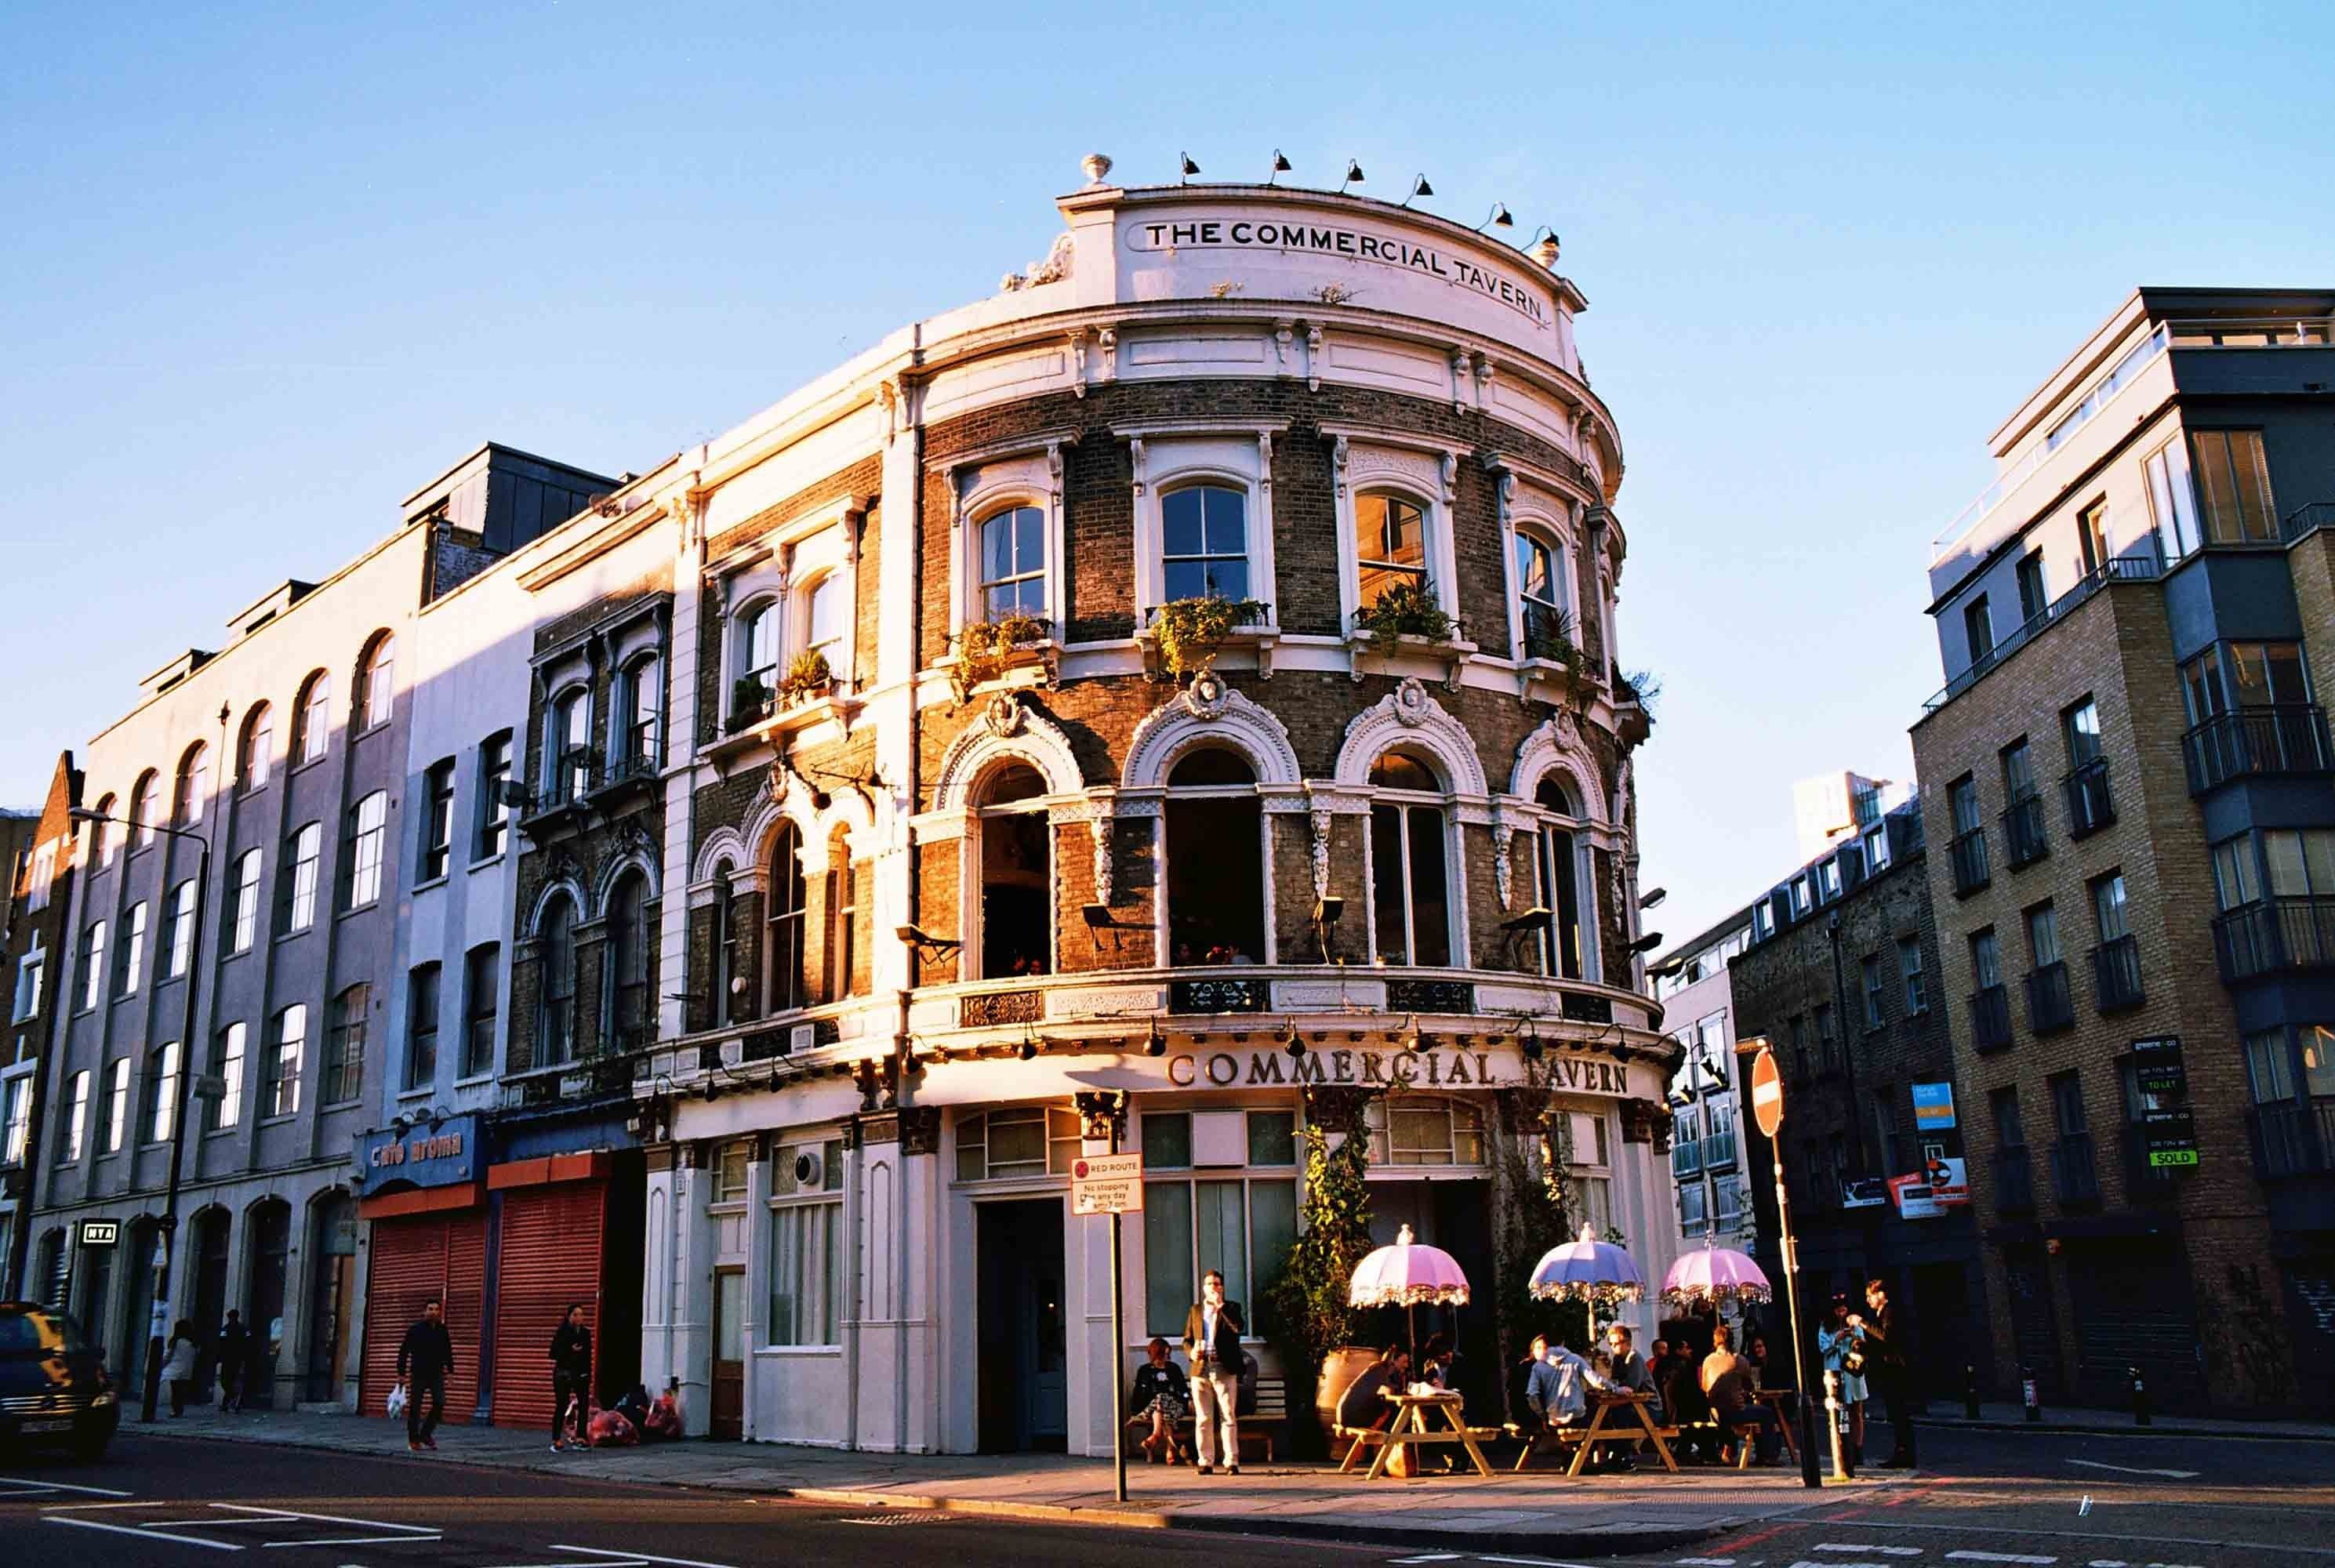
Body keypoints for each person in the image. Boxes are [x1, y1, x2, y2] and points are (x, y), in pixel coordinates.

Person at [1180, 1269, 1245, 1475]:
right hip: (1201, 1368)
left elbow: (1238, 1328)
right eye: (1209, 1284)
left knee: (1228, 1415)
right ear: (1203, 1288)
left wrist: (1220, 1307)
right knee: (1203, 1418)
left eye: (1217, 1284)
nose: (1213, 1288)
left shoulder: (1232, 1308)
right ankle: (1205, 1461)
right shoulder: (1196, 1311)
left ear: (1222, 1287)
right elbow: (1187, 1340)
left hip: (1224, 1368)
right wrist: (1192, 1354)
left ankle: (1231, 1461)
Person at [1856, 1277, 1915, 1468]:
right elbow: (1881, 1344)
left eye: (1869, 1296)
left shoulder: (1890, 1312)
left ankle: (1904, 1455)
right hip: (1889, 1369)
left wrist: (1862, 1323)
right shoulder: (1883, 1313)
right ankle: (1901, 1453)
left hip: (1896, 1370)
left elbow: (1886, 1337)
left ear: (1881, 1295)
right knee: (1896, 1414)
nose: (1868, 1300)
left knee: (1899, 1414)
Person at [1701, 1324, 1778, 1465]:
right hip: (1734, 1412)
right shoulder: (1738, 1360)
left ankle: (1730, 1450)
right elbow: (1749, 1386)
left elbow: (1705, 1386)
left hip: (1713, 1412)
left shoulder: (1708, 1360)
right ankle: (1767, 1455)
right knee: (1766, 1413)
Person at [397, 1298, 456, 1452]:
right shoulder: (415, 1330)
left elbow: (447, 1351)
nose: (433, 1312)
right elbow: (404, 1351)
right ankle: (413, 1439)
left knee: (440, 1402)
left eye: (436, 1309)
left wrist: (450, 1371)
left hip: (436, 1374)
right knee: (415, 1407)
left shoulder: (443, 1330)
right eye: (430, 1309)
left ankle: (425, 1434)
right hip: (419, 1374)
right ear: (424, 1312)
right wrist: (401, 1373)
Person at [1818, 1295, 1868, 1463]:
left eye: (1844, 1310)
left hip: (1853, 1372)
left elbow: (1863, 1344)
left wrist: (1854, 1335)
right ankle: (1841, 1449)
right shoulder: (1825, 1327)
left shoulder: (1854, 1324)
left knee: (1856, 1412)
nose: (1841, 1313)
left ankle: (1858, 1450)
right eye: (1838, 1310)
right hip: (1835, 1372)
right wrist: (1836, 1339)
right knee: (1837, 1413)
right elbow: (1823, 1348)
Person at [1127, 1337, 1190, 1465]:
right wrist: (1135, 1411)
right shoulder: (1145, 1371)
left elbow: (1182, 1388)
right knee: (1160, 1404)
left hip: (1174, 1407)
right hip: (1151, 1408)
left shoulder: (1173, 1368)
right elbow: (1139, 1392)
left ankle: (1155, 1437)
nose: (1167, 1357)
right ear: (1156, 1354)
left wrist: (1188, 1400)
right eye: (1164, 1354)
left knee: (1161, 1404)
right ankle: (1170, 1449)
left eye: (1168, 1354)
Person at [1335, 1343, 1411, 1434]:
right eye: (1404, 1362)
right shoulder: (1381, 1371)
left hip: (1344, 1415)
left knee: (1384, 1404)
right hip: (1350, 1416)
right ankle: (1390, 1439)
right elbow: (1392, 1395)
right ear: (1393, 1361)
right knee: (1389, 1407)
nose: (1406, 1365)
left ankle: (1388, 1439)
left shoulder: (1379, 1368)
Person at [549, 1304, 594, 1452]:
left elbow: (587, 1355)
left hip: (580, 1373)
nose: (579, 1318)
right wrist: (570, 1350)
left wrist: (588, 1373)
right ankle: (556, 1440)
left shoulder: (586, 1333)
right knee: (562, 1405)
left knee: (583, 1405)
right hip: (563, 1373)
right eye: (575, 1314)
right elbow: (553, 1353)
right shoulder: (562, 1332)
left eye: (581, 1315)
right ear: (569, 1316)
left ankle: (581, 1437)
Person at [162, 1319, 201, 1418]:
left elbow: (168, 1356)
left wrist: (162, 1365)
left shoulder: (175, 1341)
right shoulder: (193, 1342)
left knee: (175, 1391)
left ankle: (176, 1411)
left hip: (175, 1369)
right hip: (187, 1370)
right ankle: (180, 1409)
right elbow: (196, 1357)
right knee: (181, 1391)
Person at [214, 1309, 251, 1414]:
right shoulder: (244, 1329)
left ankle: (229, 1401)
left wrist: (219, 1357)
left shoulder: (225, 1329)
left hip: (229, 1359)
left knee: (226, 1381)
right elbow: (248, 1342)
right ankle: (232, 1400)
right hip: (237, 1358)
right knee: (233, 1381)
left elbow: (221, 1343)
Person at [1509, 1334, 1549, 1424]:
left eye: (1545, 1348)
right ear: (1533, 1350)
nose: (1542, 1351)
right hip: (1529, 1414)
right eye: (1539, 1348)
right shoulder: (1525, 1367)